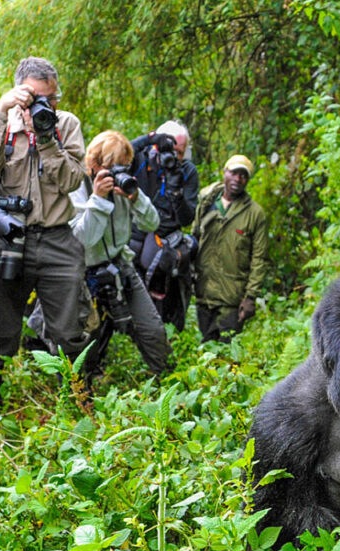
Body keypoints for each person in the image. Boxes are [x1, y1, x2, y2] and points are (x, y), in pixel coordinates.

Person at [0, 56, 88, 404]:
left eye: (52, 98)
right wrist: (1, 109)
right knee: (0, 325)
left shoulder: (67, 125)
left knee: (70, 327)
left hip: (56, 236)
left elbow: (71, 180)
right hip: (9, 236)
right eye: (37, 97)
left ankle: (78, 397)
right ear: (19, 91)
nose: (46, 105)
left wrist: (48, 138)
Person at [70, 130, 170, 379]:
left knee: (152, 328)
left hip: (119, 265)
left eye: (124, 167)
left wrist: (136, 198)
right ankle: (82, 390)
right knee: (86, 335)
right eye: (114, 167)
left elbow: (152, 224)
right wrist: (99, 199)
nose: (119, 174)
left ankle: (167, 379)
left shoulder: (124, 185)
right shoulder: (76, 186)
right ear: (95, 164)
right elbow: (84, 239)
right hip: (84, 271)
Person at [129, 121, 199, 330]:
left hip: (166, 238)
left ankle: (164, 328)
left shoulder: (186, 170)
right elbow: (114, 155)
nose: (174, 157)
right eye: (170, 149)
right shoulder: (142, 160)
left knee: (164, 262)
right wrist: (149, 139)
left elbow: (187, 219)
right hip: (134, 232)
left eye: (180, 152)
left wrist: (176, 193)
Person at [192, 154, 269, 342]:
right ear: (225, 172)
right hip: (204, 294)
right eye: (234, 173)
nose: (237, 179)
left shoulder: (255, 214)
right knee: (207, 349)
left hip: (232, 299)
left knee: (227, 354)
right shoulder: (207, 202)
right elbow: (195, 238)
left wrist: (250, 297)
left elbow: (259, 258)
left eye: (243, 176)